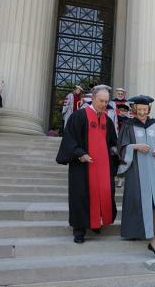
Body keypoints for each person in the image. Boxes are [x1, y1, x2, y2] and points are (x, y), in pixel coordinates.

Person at [56, 86, 118, 244]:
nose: (104, 104)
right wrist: (79, 153)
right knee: (81, 196)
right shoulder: (79, 116)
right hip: (82, 166)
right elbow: (69, 138)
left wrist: (114, 150)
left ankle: (97, 223)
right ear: (93, 99)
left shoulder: (108, 120)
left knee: (104, 193)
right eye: (101, 101)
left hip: (103, 167)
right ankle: (79, 230)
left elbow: (112, 142)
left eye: (106, 101)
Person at [117, 95, 155, 259]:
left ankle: (154, 241)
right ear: (134, 110)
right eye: (139, 110)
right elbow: (122, 146)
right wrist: (135, 146)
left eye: (145, 110)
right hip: (136, 172)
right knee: (137, 201)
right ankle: (136, 231)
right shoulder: (128, 125)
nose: (142, 113)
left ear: (149, 110)